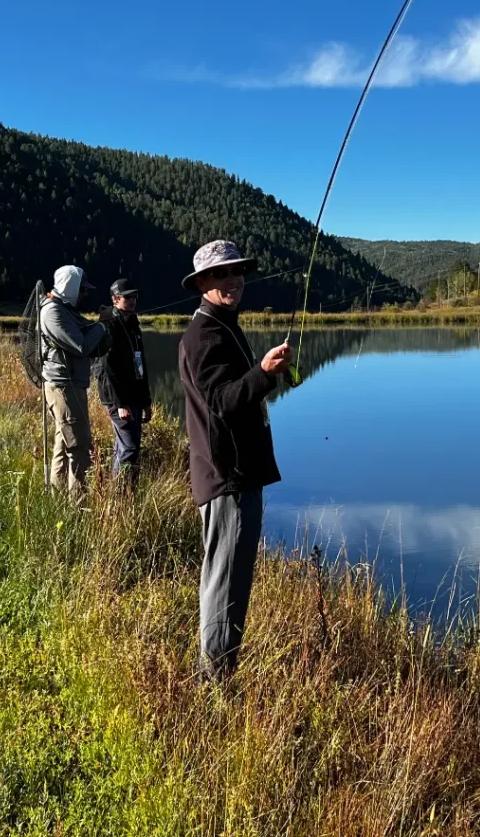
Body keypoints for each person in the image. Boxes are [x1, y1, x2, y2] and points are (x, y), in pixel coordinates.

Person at [179, 240, 292, 679]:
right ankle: (216, 684)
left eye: (238, 271)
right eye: (221, 273)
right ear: (202, 283)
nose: (233, 280)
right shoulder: (205, 335)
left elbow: (231, 395)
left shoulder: (222, 325)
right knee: (226, 584)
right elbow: (223, 402)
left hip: (233, 474)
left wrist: (265, 374)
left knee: (226, 579)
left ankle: (215, 672)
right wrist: (262, 373)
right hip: (228, 477)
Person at [39, 265, 109, 498]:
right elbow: (82, 345)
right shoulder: (53, 312)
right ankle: (78, 505)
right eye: (82, 289)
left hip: (70, 385)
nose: (84, 294)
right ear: (70, 287)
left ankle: (58, 499)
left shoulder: (65, 310)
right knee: (79, 446)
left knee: (63, 443)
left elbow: (85, 331)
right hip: (63, 387)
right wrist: (102, 325)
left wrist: (99, 325)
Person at [93, 278, 152, 485]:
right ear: (115, 299)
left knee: (125, 446)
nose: (133, 300)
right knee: (129, 447)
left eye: (135, 296)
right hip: (117, 399)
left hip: (134, 396)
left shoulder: (132, 323)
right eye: (128, 297)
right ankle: (122, 493)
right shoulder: (108, 324)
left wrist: (146, 401)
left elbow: (141, 363)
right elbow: (106, 368)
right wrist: (120, 404)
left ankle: (118, 492)